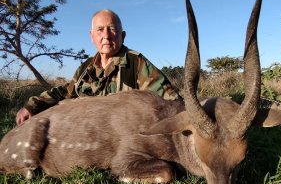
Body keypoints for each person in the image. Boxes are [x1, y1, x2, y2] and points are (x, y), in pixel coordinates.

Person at [16, 9, 181, 125]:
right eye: (100, 30)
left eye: (112, 29)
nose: (106, 36)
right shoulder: (85, 68)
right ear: (92, 36)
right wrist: (32, 105)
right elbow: (65, 92)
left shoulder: (136, 64)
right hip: (84, 132)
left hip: (121, 135)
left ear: (122, 36)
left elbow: (173, 102)